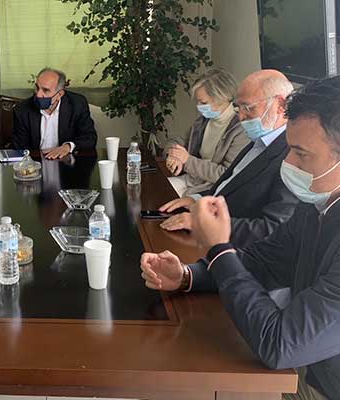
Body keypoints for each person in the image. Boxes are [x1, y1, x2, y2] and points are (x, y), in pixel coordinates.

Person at [141, 76, 340, 400]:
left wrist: (219, 248)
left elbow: (279, 344)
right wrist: (187, 276)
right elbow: (264, 260)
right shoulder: (315, 206)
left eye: (301, 154)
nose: (288, 163)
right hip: (307, 370)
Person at [159, 69, 298, 247]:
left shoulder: (292, 156)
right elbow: (230, 185)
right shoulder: (259, 142)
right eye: (238, 108)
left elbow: (274, 229)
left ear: (280, 105)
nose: (241, 117)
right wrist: (197, 199)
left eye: (248, 108)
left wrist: (204, 223)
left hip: (234, 247)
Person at [165, 68, 250, 196]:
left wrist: (187, 160)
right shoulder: (203, 121)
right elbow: (177, 140)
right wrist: (173, 155)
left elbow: (225, 174)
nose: (198, 106)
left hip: (214, 188)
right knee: (153, 191)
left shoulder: (241, 129)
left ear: (222, 98)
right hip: (193, 179)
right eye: (197, 101)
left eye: (203, 102)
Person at [12, 67, 98, 159]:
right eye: (37, 88)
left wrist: (68, 147)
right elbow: (19, 146)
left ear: (59, 94)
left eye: (45, 90)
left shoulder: (77, 104)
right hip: (35, 162)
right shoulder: (22, 109)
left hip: (66, 161)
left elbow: (89, 138)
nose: (38, 94)